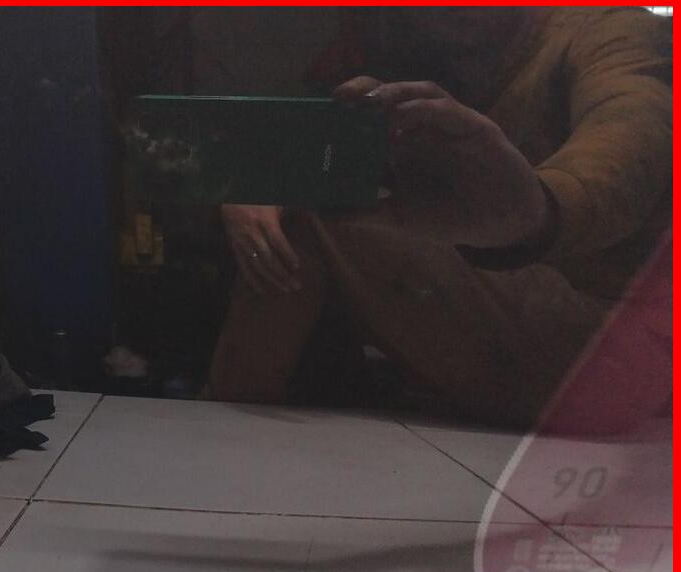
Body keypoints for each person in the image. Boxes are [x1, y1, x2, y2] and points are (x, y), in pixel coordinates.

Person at [207, 7, 672, 429]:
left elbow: (634, 136)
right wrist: (262, 184)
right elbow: (325, 137)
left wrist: (542, 208)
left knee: (315, 218)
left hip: (611, 351)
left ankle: (220, 430)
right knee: (300, 212)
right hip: (573, 343)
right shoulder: (426, 50)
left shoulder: (608, 28)